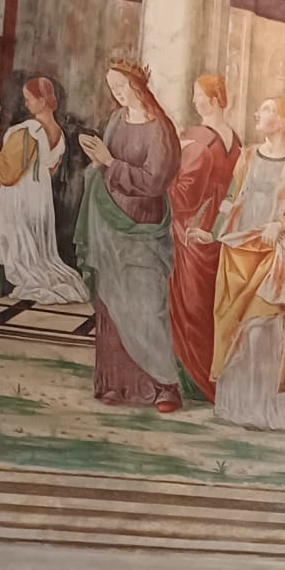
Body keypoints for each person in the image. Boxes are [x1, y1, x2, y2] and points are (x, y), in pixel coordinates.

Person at [203, 97, 285, 431]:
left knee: (262, 333)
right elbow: (230, 200)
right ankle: (236, 407)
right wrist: (211, 232)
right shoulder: (246, 157)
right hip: (238, 255)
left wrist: (283, 225)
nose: (258, 112)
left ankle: (265, 410)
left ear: (284, 121)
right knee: (237, 332)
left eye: (267, 109)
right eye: (260, 109)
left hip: (274, 259)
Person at [75, 61, 182, 411]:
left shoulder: (160, 129)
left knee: (147, 305)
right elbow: (104, 165)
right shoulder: (117, 120)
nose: (116, 93)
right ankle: (115, 384)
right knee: (112, 300)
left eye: (121, 86)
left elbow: (155, 181)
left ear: (138, 86)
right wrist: (96, 161)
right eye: (112, 87)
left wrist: (109, 162)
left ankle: (164, 386)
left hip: (143, 225)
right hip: (108, 224)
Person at [0, 77, 88, 306]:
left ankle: (30, 277)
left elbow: (7, 175)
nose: (26, 104)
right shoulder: (59, 134)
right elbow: (48, 169)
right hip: (40, 198)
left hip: (20, 198)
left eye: (29, 99)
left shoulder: (27, 132)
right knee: (37, 248)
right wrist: (1, 156)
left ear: (43, 101)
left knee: (19, 247)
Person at [168, 74, 240, 402]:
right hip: (218, 229)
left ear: (213, 100)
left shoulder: (196, 139)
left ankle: (193, 380)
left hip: (192, 228)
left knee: (190, 306)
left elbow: (184, 196)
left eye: (198, 95)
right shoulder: (234, 140)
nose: (194, 100)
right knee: (209, 306)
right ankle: (210, 376)